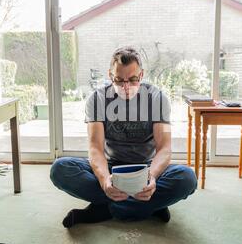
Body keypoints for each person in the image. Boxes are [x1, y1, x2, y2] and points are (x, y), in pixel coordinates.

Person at [50, 46, 197, 228]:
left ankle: (102, 209)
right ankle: (149, 206)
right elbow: (95, 148)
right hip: (111, 168)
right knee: (60, 169)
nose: (126, 87)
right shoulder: (97, 99)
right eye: (119, 80)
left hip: (146, 168)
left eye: (132, 80)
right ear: (110, 76)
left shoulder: (158, 98)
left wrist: (151, 178)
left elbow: (165, 148)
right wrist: (105, 181)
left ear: (141, 76)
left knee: (187, 178)